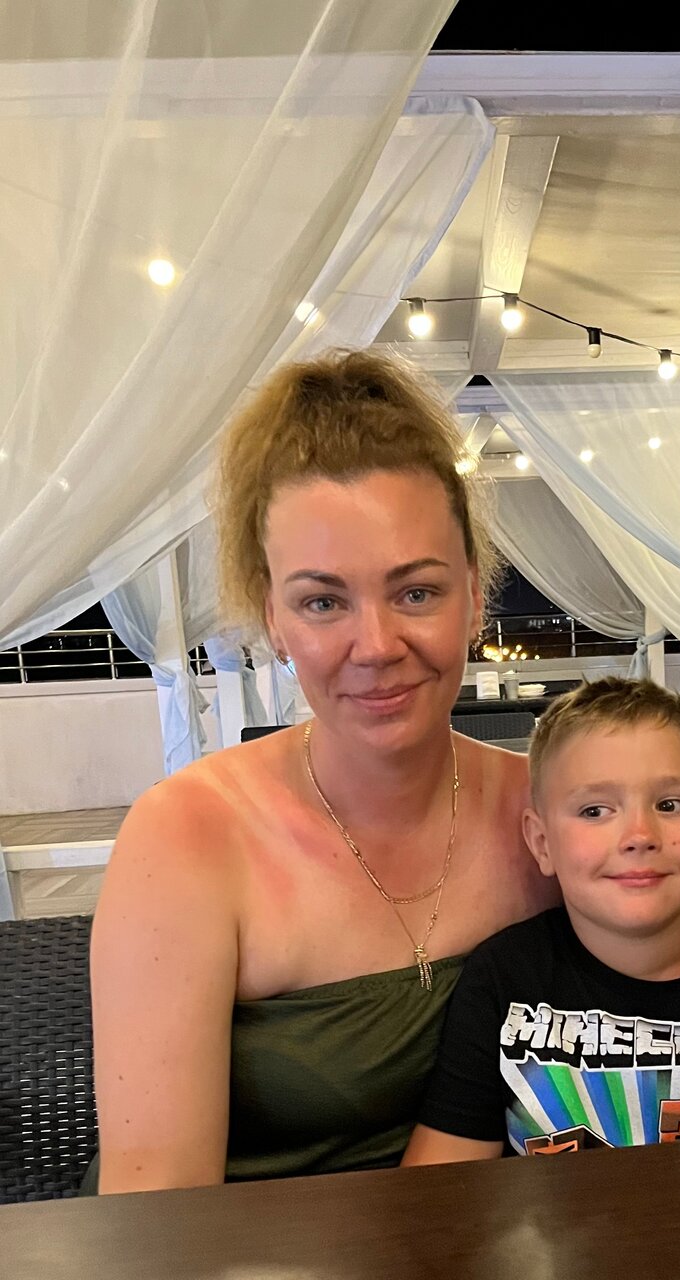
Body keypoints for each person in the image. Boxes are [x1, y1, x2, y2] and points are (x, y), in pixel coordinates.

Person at [88, 350, 560, 1192]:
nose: (375, 646)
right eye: (322, 602)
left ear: (473, 594)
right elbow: (157, 1212)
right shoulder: (188, 836)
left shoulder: (551, 809)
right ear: (272, 616)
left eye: (416, 593)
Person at [401, 677, 680, 1162]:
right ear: (542, 843)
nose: (639, 835)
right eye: (595, 810)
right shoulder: (503, 978)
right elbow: (440, 1177)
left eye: (669, 805)